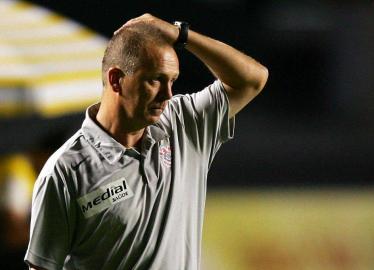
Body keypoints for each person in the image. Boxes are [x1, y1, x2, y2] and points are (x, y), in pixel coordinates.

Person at [24, 13, 268, 270]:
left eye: (172, 81)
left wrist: (181, 35)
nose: (167, 94)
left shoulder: (183, 122)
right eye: (155, 80)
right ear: (116, 79)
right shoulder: (65, 170)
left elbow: (253, 79)